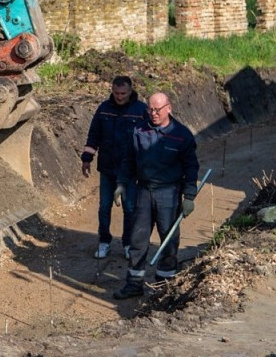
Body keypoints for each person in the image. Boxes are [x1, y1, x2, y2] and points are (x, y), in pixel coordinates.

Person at [113, 92, 199, 300]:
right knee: (138, 239)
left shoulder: (182, 135)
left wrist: (189, 196)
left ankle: (164, 284)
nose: (153, 114)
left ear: (168, 108)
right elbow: (129, 161)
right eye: (150, 109)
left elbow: (191, 167)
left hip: (169, 193)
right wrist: (121, 184)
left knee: (168, 239)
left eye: (158, 110)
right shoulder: (139, 131)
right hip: (143, 191)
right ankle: (134, 283)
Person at [80, 75, 148, 260]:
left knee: (130, 208)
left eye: (123, 93)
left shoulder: (141, 110)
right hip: (107, 168)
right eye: (116, 93)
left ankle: (127, 243)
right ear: (112, 90)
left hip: (129, 172)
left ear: (130, 90)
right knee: (104, 207)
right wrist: (87, 158)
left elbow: (148, 140)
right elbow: (94, 134)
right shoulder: (104, 109)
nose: (119, 97)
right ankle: (104, 242)